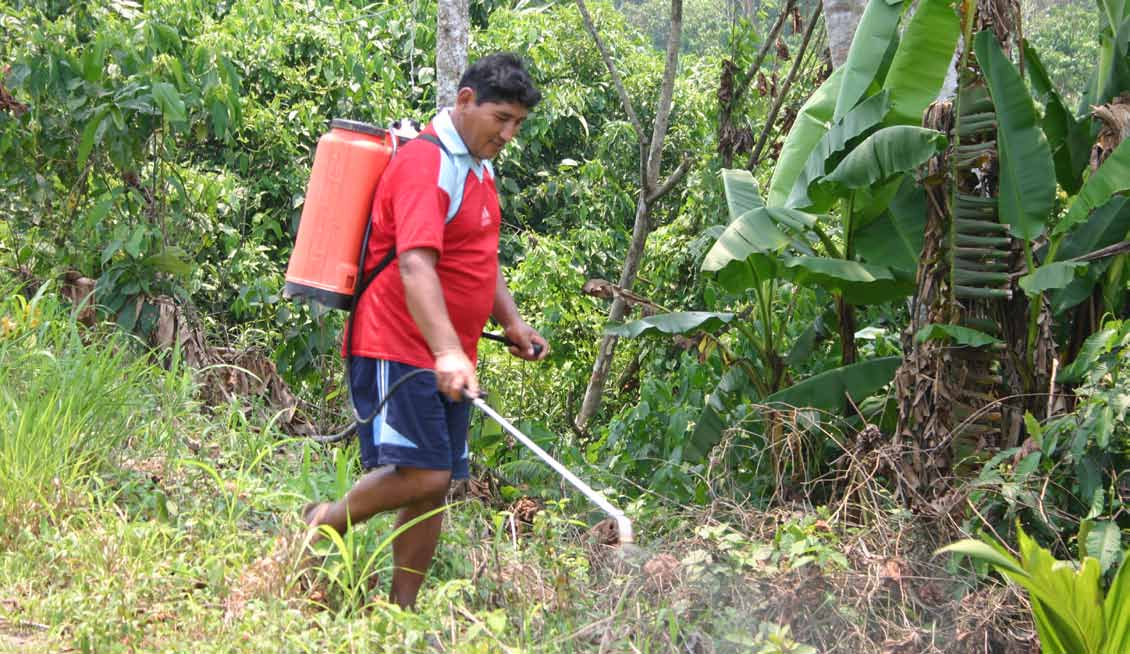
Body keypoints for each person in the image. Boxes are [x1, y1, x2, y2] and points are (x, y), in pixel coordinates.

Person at [302, 53, 548, 610]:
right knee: (426, 475)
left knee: (435, 488)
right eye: (500, 118)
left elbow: (479, 256)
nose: (508, 134)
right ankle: (324, 522)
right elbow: (415, 265)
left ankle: (399, 613)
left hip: (447, 354)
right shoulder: (426, 163)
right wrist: (445, 351)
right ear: (465, 101)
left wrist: (510, 322)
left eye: (517, 125)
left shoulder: (478, 167)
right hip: (398, 342)